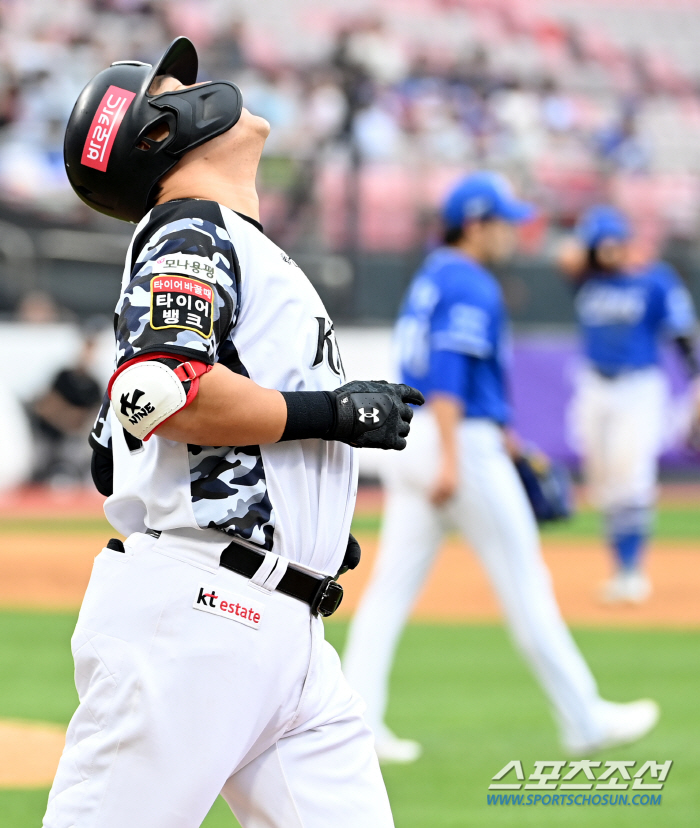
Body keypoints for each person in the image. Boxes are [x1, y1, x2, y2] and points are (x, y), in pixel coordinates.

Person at [46, 37, 423, 828]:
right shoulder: (188, 226)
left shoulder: (229, 238)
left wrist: (303, 524)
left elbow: (128, 433)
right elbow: (158, 391)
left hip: (277, 623)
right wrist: (332, 414)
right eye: (171, 85)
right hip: (198, 619)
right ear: (153, 131)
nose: (198, 84)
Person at [342, 172, 659, 763]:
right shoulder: (470, 282)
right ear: (478, 224)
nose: (514, 233)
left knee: (388, 594)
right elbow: (449, 372)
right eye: (506, 222)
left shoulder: (433, 274)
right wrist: (457, 458)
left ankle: (357, 725)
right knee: (525, 583)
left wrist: (501, 439)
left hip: (420, 440)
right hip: (454, 441)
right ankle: (585, 719)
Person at [560, 205, 700, 603]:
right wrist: (592, 249)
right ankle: (619, 566)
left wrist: (696, 380)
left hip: (638, 387)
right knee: (603, 483)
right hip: (593, 385)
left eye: (614, 243)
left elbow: (681, 332)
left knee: (632, 477)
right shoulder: (587, 277)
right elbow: (564, 257)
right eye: (600, 245)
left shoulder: (654, 279)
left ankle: (630, 570)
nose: (609, 252)